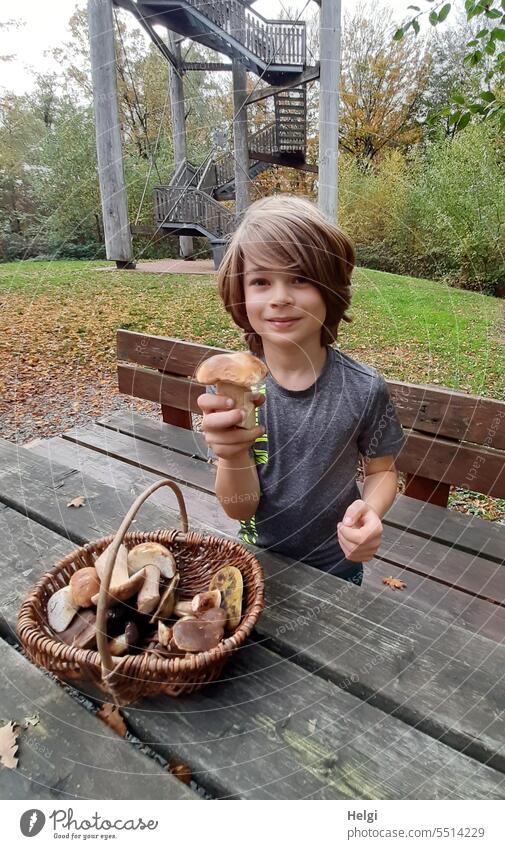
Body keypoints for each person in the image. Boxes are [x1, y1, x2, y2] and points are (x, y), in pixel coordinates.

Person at [197, 195, 405, 586]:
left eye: (300, 278)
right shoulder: (233, 386)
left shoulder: (362, 388)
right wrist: (231, 454)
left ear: (330, 289)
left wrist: (371, 511)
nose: (279, 297)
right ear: (241, 296)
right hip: (257, 563)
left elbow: (382, 469)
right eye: (261, 281)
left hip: (338, 567)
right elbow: (239, 510)